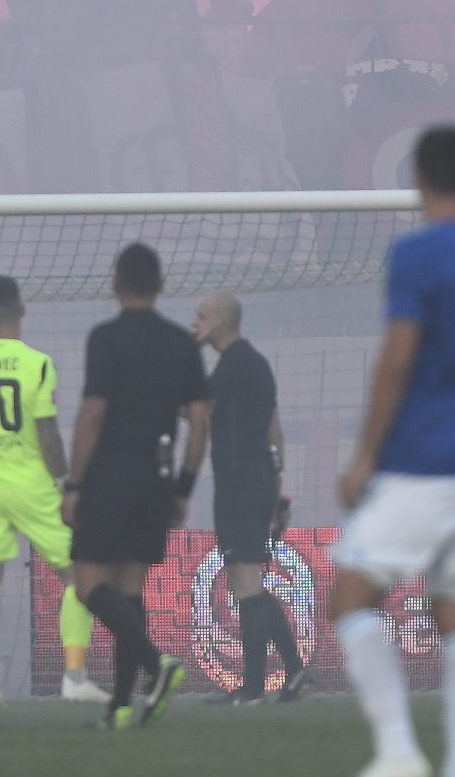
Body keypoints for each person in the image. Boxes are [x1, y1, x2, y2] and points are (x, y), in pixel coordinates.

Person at [332, 125, 455, 777]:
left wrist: (364, 455)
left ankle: (398, 753)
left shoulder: (416, 254)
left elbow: (398, 356)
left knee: (351, 599)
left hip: (422, 466)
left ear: (417, 177)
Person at [62, 242, 209, 730]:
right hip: (156, 478)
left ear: (115, 283)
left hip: (109, 475)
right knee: (129, 591)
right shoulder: (182, 344)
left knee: (88, 586)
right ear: (161, 285)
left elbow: (93, 413)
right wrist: (183, 488)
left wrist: (75, 483)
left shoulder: (105, 338)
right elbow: (199, 421)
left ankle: (157, 664)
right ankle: (121, 707)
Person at [0, 275, 108, 708]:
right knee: (78, 575)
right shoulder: (37, 364)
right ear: (22, 309)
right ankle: (74, 676)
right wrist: (64, 484)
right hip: (33, 483)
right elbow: (49, 433)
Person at [191, 290, 307, 706]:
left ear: (221, 321)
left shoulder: (234, 364)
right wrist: (276, 488)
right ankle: (294, 674)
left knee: (245, 582)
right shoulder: (255, 364)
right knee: (251, 583)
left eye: (201, 316)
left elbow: (194, 409)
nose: (195, 324)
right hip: (256, 483)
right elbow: (274, 431)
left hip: (240, 485)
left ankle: (254, 687)